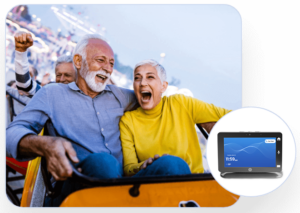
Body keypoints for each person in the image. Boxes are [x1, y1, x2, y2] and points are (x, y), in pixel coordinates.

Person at [6, 33, 138, 206]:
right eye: (101, 60)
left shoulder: (120, 95)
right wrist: (45, 144)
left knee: (172, 165)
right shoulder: (52, 93)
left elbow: (155, 101)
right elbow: (10, 135)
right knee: (103, 163)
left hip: (126, 186)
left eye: (111, 64)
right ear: (78, 62)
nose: (107, 68)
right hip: (75, 185)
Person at [119, 59, 231, 177]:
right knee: (170, 163)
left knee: (172, 163)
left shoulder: (181, 104)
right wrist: (143, 165)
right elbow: (129, 168)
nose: (142, 83)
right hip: (150, 184)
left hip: (192, 184)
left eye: (150, 77)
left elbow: (231, 117)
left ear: (163, 86)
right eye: (137, 78)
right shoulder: (128, 121)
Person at [13, 32, 77, 97]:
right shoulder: (49, 95)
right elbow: (24, 85)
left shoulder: (82, 101)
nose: (61, 79)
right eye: (58, 75)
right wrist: (20, 52)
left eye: (67, 75)